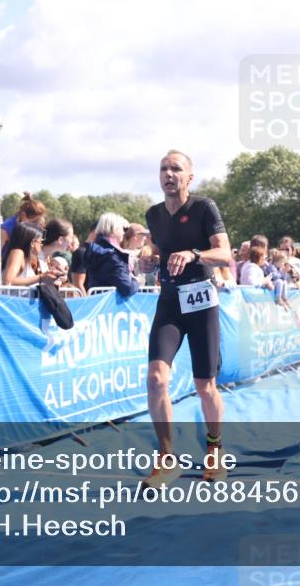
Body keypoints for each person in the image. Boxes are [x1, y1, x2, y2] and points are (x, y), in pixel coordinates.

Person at [138, 150, 232, 488]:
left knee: (205, 386)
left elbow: (225, 254)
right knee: (155, 379)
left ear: (189, 177)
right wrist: (146, 258)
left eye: (176, 168)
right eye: (163, 168)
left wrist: (193, 254)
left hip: (201, 300)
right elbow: (154, 248)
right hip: (169, 302)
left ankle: (215, 450)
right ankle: (167, 459)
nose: (168, 173)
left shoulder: (204, 208)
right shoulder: (153, 214)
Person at [83, 212, 138, 297]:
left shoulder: (94, 250)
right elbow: (127, 288)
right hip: (111, 307)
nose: (123, 233)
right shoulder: (112, 256)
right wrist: (135, 281)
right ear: (113, 230)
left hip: (97, 302)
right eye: (121, 229)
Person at [2, 222, 55, 286]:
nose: (42, 245)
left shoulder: (28, 259)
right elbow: (8, 281)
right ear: (32, 243)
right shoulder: (18, 253)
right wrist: (40, 277)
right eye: (41, 242)